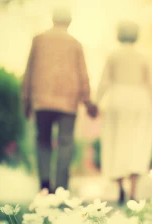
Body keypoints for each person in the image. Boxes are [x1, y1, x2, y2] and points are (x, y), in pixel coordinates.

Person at [21, 7, 98, 193]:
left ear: (53, 18)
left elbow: (29, 70)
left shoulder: (39, 40)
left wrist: (26, 100)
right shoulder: (75, 44)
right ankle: (62, 187)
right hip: (68, 103)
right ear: (69, 21)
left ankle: (45, 184)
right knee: (65, 142)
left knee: (43, 141)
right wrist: (87, 101)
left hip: (42, 101)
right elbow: (83, 74)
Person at [97, 21, 152, 205]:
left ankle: (120, 189)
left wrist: (95, 102)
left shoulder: (113, 55)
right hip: (140, 102)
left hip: (116, 100)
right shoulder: (143, 56)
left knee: (116, 142)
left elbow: (104, 82)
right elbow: (151, 84)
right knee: (137, 143)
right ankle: (133, 190)